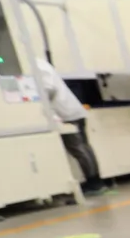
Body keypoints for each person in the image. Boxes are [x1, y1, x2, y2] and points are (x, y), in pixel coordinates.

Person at [38, 56, 106, 195]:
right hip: (72, 110)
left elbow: (48, 89)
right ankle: (95, 181)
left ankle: (94, 183)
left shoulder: (37, 65)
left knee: (78, 148)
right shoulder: (41, 63)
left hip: (65, 113)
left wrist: (40, 103)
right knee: (84, 147)